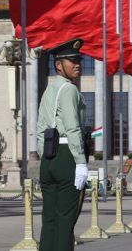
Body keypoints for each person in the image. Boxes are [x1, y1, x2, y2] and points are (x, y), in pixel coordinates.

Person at [36, 38, 88, 251]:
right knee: (66, 220)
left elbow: (40, 129)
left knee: (49, 220)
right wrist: (81, 162)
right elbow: (73, 127)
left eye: (79, 60)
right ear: (58, 64)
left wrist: (44, 157)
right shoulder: (69, 90)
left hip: (48, 157)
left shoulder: (49, 90)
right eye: (72, 60)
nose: (77, 64)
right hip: (67, 155)